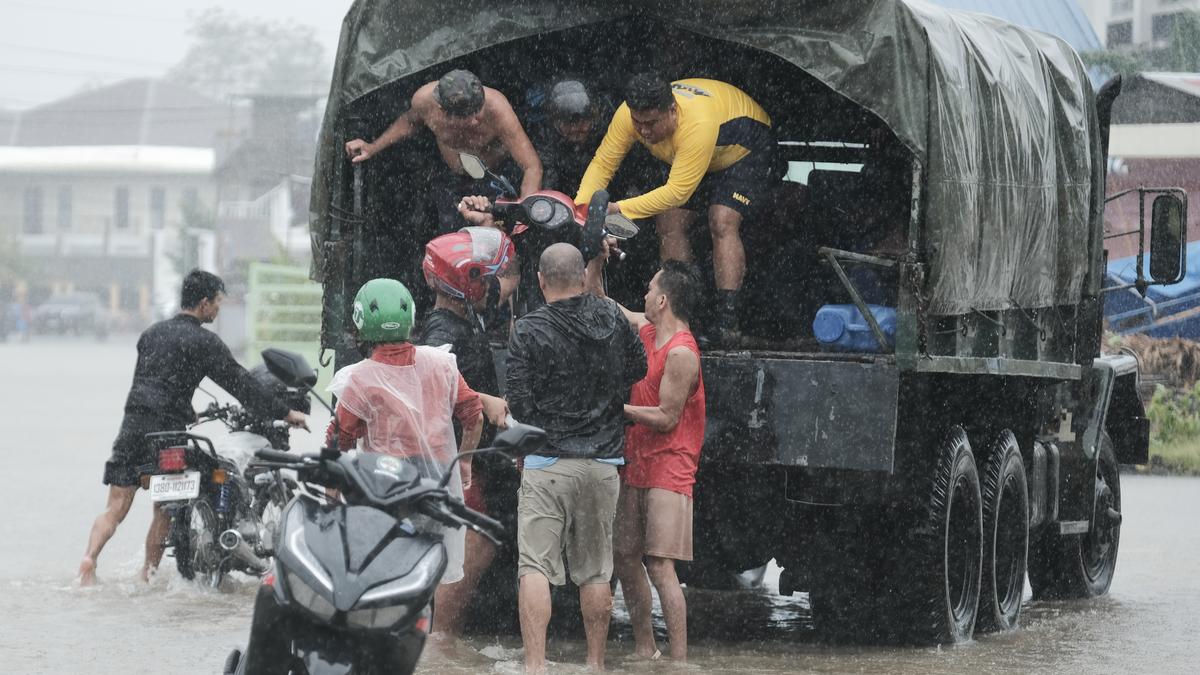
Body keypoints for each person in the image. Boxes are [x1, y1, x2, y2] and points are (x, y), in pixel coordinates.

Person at [78, 270, 307, 586]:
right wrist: (285, 411)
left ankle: (89, 559)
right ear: (204, 303)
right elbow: (240, 384)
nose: (217, 310)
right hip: (169, 434)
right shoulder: (205, 342)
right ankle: (149, 575)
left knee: (115, 508)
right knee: (165, 509)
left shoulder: (151, 334)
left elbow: (155, 383)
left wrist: (188, 411)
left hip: (132, 426)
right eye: (217, 304)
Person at [506, 243, 646, 673]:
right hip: (603, 464)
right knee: (596, 570)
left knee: (534, 566)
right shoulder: (612, 318)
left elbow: (520, 405)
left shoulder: (527, 330)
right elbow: (638, 370)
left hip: (547, 463)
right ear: (583, 279)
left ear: (541, 281)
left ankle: (534, 666)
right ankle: (595, 664)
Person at [326, 277, 504, 596]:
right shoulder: (441, 364)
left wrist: (331, 499)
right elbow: (473, 417)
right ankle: (429, 640)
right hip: (433, 487)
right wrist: (463, 467)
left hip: (384, 486)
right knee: (427, 572)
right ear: (410, 320)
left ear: (359, 321)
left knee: (381, 578)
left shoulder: (359, 378)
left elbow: (338, 443)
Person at [575, 73, 776, 345]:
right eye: (638, 123)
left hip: (745, 148)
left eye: (652, 123)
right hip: (698, 153)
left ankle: (728, 322)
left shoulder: (697, 123)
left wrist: (617, 209)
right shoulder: (628, 114)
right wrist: (582, 209)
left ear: (672, 110)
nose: (644, 131)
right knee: (669, 224)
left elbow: (677, 192)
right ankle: (681, 314)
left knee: (721, 219)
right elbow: (603, 164)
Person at [587, 247, 706, 661]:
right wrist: (597, 259)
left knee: (659, 566)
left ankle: (679, 661)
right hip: (636, 461)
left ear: (663, 300)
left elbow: (667, 417)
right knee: (624, 557)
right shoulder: (648, 331)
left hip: (670, 466)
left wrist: (614, 408)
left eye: (649, 287)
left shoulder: (682, 353)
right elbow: (601, 303)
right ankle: (645, 648)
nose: (643, 292)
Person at [416, 226, 518, 637]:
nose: (490, 284)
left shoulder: (463, 313)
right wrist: (484, 399)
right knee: (471, 550)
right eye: (482, 276)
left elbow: (508, 283)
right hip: (460, 459)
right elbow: (428, 387)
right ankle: (442, 647)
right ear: (464, 281)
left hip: (470, 458)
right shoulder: (443, 333)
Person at [344, 69, 544, 230]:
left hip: (495, 180)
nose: (476, 119)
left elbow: (531, 166)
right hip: (452, 180)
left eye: (478, 110)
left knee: (496, 239)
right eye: (468, 115)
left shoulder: (497, 109)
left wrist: (524, 211)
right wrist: (372, 147)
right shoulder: (424, 102)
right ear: (442, 110)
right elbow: (409, 123)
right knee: (452, 237)